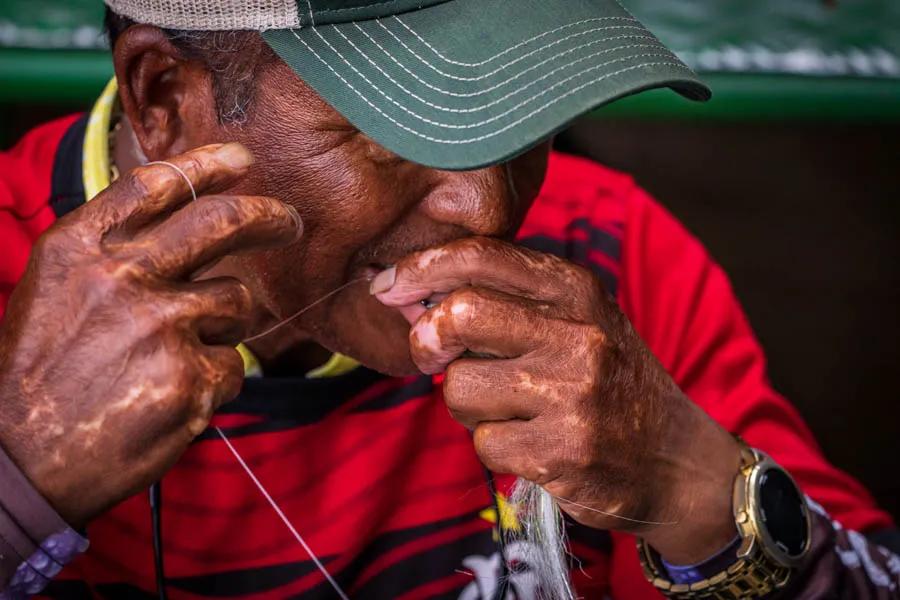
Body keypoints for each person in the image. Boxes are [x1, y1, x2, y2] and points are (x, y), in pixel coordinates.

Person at [0, 0, 897, 598]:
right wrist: (20, 484)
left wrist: (686, 482)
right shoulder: (14, 314)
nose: (489, 207)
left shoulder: (609, 250)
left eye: (520, 110)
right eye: (393, 135)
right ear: (163, 98)